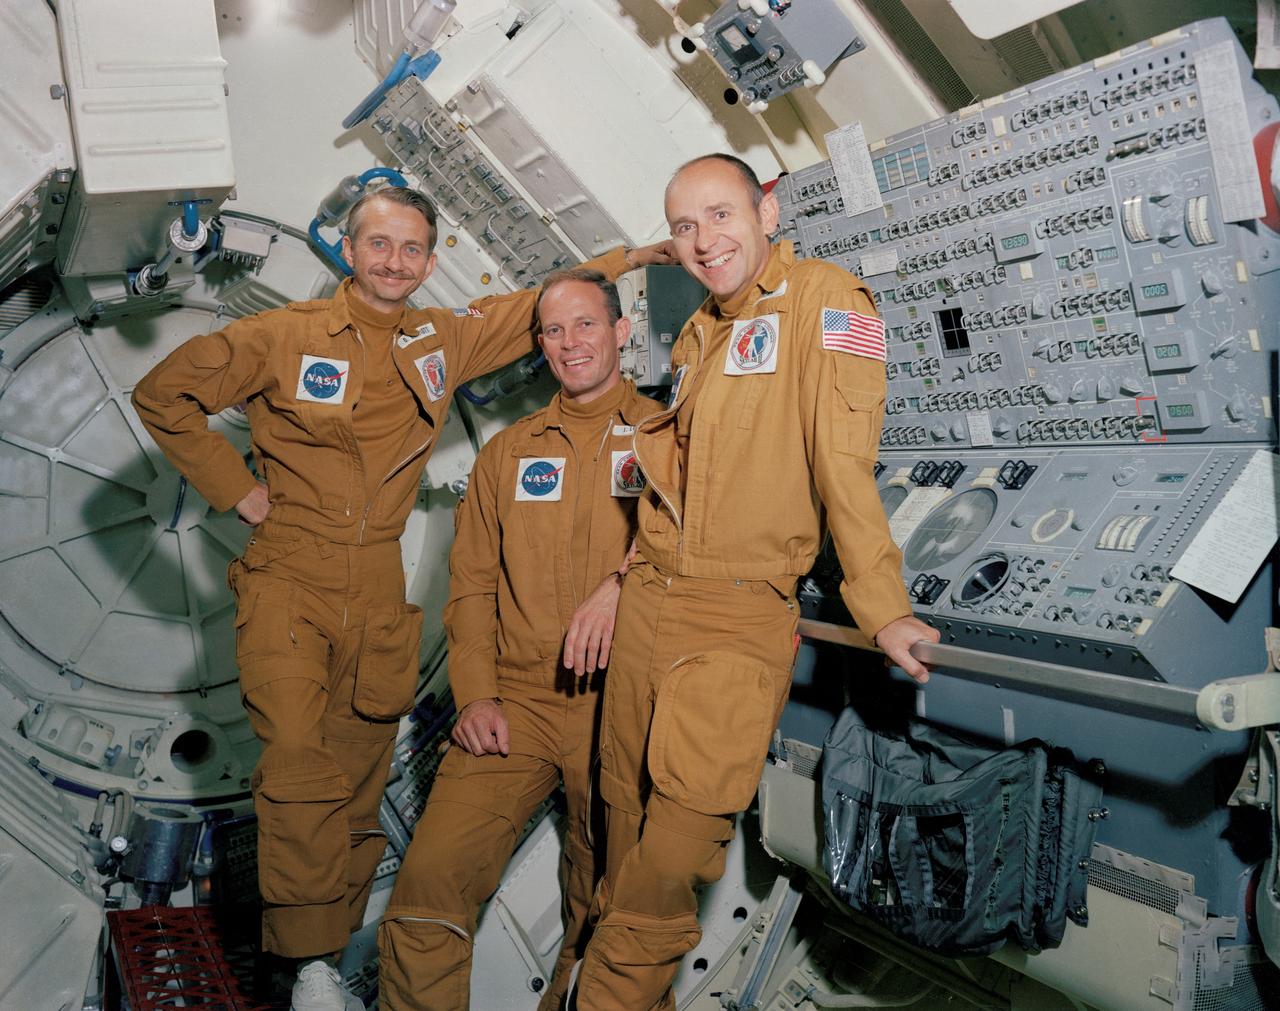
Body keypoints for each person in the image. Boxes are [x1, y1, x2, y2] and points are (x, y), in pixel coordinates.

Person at [130, 185, 670, 1011]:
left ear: (429, 258)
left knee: (355, 776)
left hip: (378, 582)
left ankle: (324, 961)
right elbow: (163, 394)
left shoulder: (438, 341)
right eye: (379, 244)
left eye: (413, 248)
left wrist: (632, 256)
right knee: (300, 762)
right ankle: (306, 959)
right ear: (350, 249)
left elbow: (549, 308)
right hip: (291, 572)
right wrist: (237, 490)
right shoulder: (283, 335)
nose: (395, 261)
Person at [570, 154, 940, 1010]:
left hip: (733, 619)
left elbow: (844, 464)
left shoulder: (827, 300)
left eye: (721, 215)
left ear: (767, 211)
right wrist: (625, 578)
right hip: (652, 605)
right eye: (685, 227)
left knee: (667, 862)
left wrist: (882, 608)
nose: (704, 240)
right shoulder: (702, 327)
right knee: (617, 826)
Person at [377, 268, 665, 1010]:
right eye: (553, 330)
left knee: (607, 911)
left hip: (626, 708)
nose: (570, 343)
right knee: (430, 883)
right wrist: (474, 696)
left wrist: (620, 585)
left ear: (621, 330)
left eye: (586, 325)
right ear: (539, 345)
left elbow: (701, 548)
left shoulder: (671, 438)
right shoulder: (508, 454)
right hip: (518, 704)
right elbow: (470, 585)